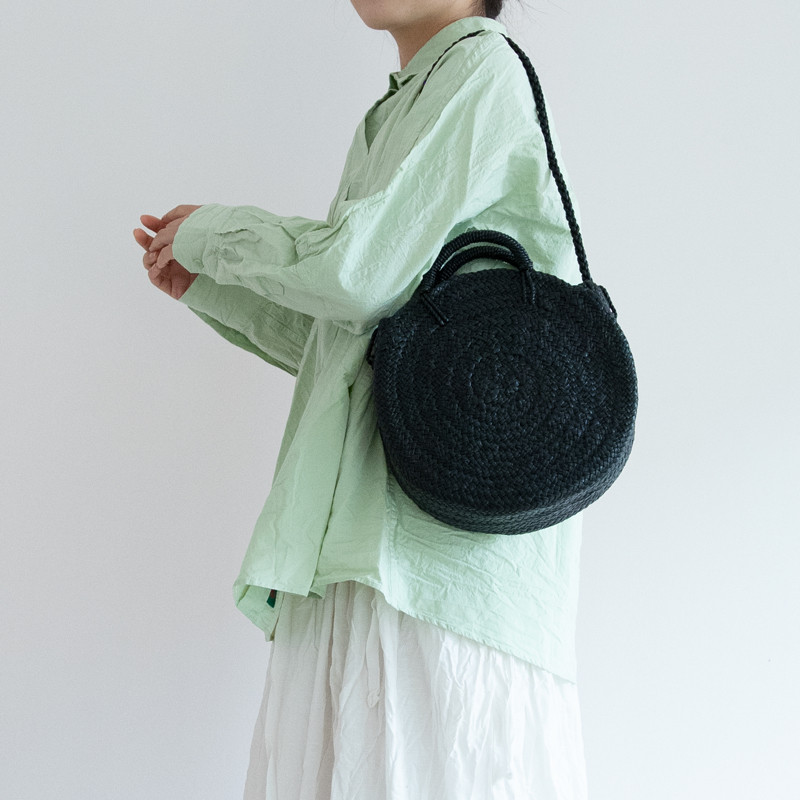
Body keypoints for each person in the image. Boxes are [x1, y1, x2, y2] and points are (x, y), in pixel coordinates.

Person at [133, 2, 589, 797]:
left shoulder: (481, 68)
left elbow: (355, 273)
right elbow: (359, 346)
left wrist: (221, 236)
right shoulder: (404, 103)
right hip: (379, 546)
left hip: (439, 563)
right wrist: (212, 283)